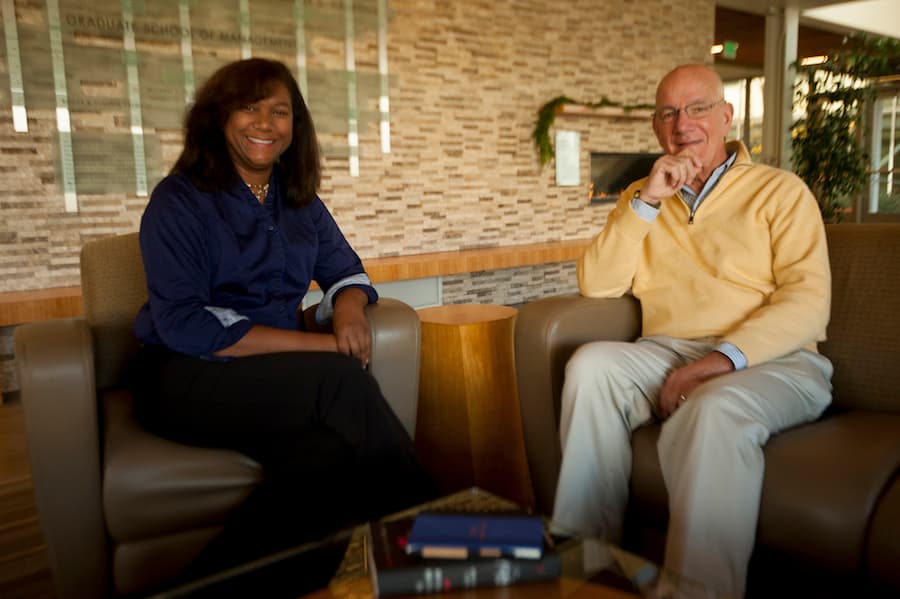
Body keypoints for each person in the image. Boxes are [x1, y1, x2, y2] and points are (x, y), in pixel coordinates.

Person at [131, 57, 436, 581]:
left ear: (296, 127)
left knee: (325, 460)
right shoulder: (179, 200)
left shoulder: (299, 203)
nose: (266, 123)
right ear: (218, 118)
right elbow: (186, 323)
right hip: (184, 375)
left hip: (271, 381)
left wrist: (347, 309)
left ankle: (197, 588)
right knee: (341, 380)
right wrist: (320, 350)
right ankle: (453, 536)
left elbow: (346, 269)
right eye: (249, 108)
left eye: (280, 111)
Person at [551, 64, 833, 598]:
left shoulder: (781, 191)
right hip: (668, 349)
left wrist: (717, 362)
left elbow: (808, 302)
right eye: (668, 113)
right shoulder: (643, 195)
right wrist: (647, 202)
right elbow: (598, 283)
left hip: (778, 359)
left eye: (698, 108)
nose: (683, 124)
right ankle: (588, 571)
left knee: (713, 407)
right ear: (657, 129)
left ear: (726, 117)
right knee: (589, 366)